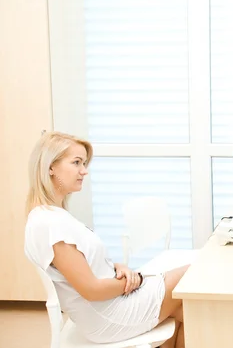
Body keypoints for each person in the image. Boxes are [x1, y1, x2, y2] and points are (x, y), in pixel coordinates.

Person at [24, 131, 189, 348]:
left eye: (83, 163)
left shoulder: (51, 216)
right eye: (76, 163)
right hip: (108, 314)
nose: (84, 171)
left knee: (187, 310)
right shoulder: (50, 224)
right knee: (192, 276)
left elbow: (86, 266)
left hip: (109, 306)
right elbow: (91, 289)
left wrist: (118, 268)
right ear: (50, 167)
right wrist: (135, 280)